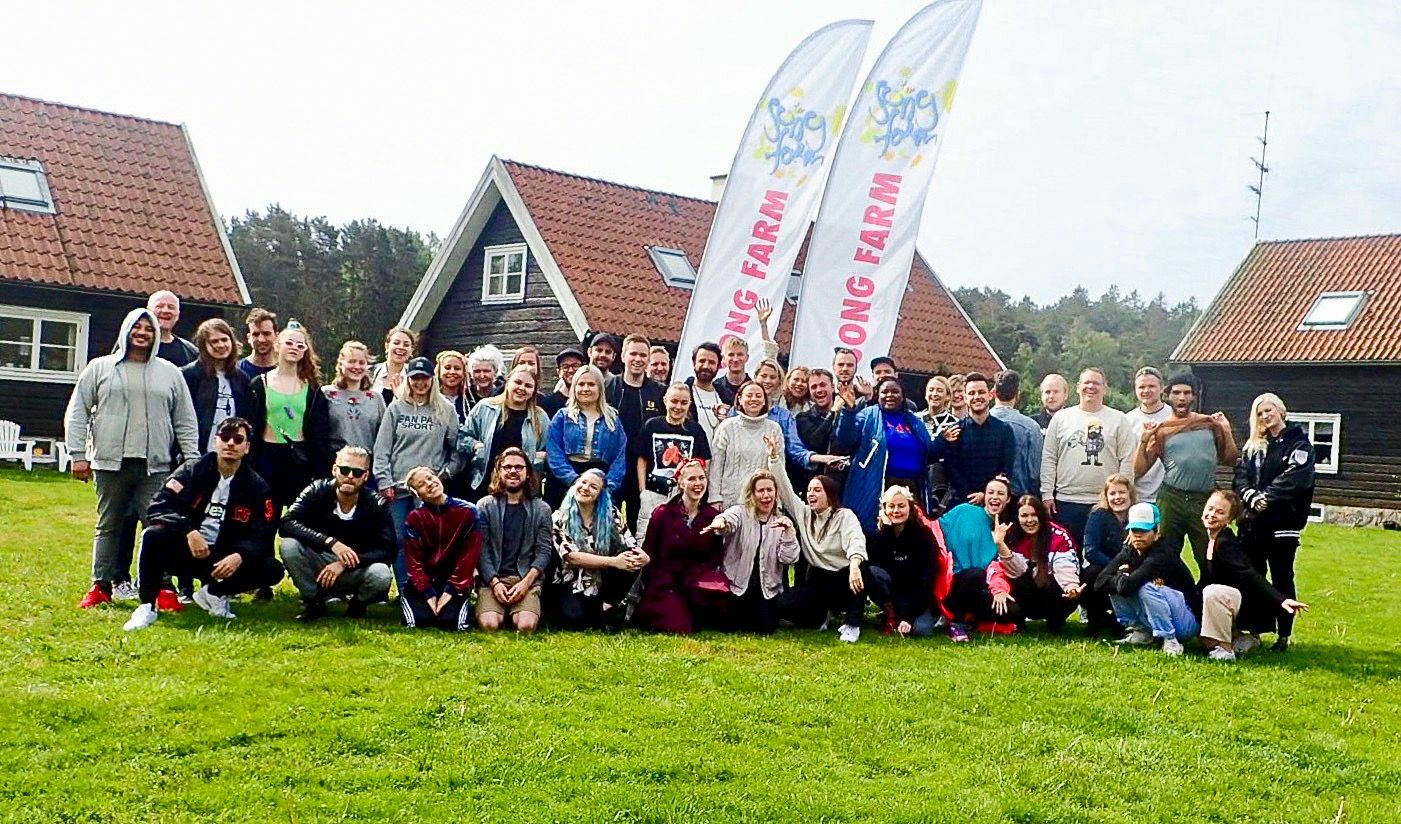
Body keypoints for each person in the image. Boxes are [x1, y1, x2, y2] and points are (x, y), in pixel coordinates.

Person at [67, 308, 199, 609]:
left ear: (155, 335)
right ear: (126, 330)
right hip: (109, 463)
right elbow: (78, 411)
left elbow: (185, 420)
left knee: (158, 526)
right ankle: (101, 585)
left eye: (148, 329)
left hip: (155, 465)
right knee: (109, 524)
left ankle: (162, 587)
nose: (142, 333)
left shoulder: (169, 372)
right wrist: (78, 455)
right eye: (136, 328)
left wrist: (191, 460)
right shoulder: (100, 367)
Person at [122, 417, 283, 630]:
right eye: (225, 437)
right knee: (153, 536)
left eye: (238, 439)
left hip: (223, 558)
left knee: (272, 569)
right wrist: (189, 531)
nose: (231, 443)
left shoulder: (257, 486)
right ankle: (147, 607)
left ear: (247, 447)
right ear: (216, 441)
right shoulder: (191, 470)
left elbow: (262, 532)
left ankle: (214, 593)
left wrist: (239, 555)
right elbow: (159, 506)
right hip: (187, 548)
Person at [1232, 392, 1315, 652]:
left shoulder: (1298, 443)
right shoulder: (1254, 445)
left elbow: (1295, 478)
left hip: (1282, 524)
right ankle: (1255, 630)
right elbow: (1240, 476)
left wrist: (1266, 498)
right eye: (1260, 413)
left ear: (1281, 411)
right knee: (1253, 577)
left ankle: (1284, 635)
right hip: (1252, 524)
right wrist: (1250, 496)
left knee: (1282, 578)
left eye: (1269, 410)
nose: (1265, 416)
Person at [1135, 373, 1239, 574]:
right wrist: (1143, 440)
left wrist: (1226, 431)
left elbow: (1231, 459)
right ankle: (1170, 598)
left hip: (1204, 500)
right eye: (1176, 393)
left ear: (1193, 397)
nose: (1181, 398)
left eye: (1186, 393)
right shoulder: (1162, 430)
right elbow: (1139, 470)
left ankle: (1209, 595)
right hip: (1171, 498)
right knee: (1164, 555)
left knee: (1209, 554)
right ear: (1168, 396)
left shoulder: (1209, 424)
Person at [374, 355, 462, 590]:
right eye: (415, 378)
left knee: (429, 541)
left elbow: (457, 448)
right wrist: (384, 481)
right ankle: (405, 589)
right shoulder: (396, 407)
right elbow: (382, 448)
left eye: (424, 378)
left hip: (428, 489)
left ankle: (428, 587)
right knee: (401, 539)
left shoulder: (445, 409)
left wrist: (446, 473)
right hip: (398, 488)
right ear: (408, 380)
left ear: (432, 379)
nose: (420, 383)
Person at [279, 446, 395, 620]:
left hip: (356, 567)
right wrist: (331, 543)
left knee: (381, 573)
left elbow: (389, 550)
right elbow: (287, 524)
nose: (349, 476)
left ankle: (358, 605)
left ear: (365, 476)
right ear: (334, 469)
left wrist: (345, 563)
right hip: (320, 563)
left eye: (356, 472)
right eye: (344, 470)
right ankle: (313, 601)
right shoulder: (316, 490)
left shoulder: (376, 503)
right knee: (289, 546)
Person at [1199, 490, 1310, 661]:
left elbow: (1249, 573)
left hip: (1240, 602)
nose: (1212, 515)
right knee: (1202, 640)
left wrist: (1281, 599)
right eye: (1210, 509)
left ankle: (1225, 649)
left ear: (1229, 519)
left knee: (1212, 592)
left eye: (1220, 512)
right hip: (1223, 601)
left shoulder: (1226, 544)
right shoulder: (1210, 539)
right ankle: (1238, 637)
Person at [771, 466, 873, 642]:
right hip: (819, 579)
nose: (811, 494)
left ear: (830, 495)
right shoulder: (804, 514)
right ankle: (822, 616)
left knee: (861, 570)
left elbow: (855, 540)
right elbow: (786, 490)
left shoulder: (845, 516)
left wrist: (855, 565)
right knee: (784, 605)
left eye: (817, 490)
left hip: (846, 578)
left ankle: (852, 624)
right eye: (809, 490)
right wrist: (774, 459)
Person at [1040, 367, 1136, 546]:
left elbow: (1127, 460)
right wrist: (1046, 493)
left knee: (1105, 555)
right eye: (1086, 383)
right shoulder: (1061, 418)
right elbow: (1049, 458)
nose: (1091, 387)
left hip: (1105, 502)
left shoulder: (1118, 419)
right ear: (1077, 387)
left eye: (1096, 383)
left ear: (1105, 388)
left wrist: (1122, 495)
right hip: (1067, 501)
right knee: (1067, 556)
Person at [701, 469, 800, 634]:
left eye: (770, 490)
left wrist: (789, 533)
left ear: (776, 494)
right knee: (729, 625)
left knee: (764, 628)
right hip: (736, 585)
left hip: (766, 589)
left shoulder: (782, 521)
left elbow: (789, 558)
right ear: (752, 494)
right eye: (760, 491)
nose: (766, 495)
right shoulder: (740, 512)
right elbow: (728, 519)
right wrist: (720, 522)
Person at [1094, 502, 1200, 656]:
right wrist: (1121, 577)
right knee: (1116, 586)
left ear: (1156, 533)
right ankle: (1141, 633)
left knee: (1144, 587)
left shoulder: (1162, 554)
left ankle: (1170, 639)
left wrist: (1121, 575)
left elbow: (1126, 587)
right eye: (1134, 530)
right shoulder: (1129, 550)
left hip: (1186, 621)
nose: (1138, 535)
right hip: (1157, 614)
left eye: (1144, 531)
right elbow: (1099, 583)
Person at [634, 458, 726, 634]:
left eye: (701, 478)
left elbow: (716, 555)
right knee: (679, 626)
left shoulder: (712, 516)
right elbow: (649, 554)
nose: (698, 483)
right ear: (680, 482)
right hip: (666, 583)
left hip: (697, 583)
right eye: (692, 479)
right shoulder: (662, 514)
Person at [247, 322, 332, 511]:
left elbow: (320, 435)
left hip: (298, 461)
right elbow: (249, 426)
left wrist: (320, 471)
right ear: (277, 345)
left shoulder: (313, 390)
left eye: (300, 345)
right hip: (266, 459)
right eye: (290, 343)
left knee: (300, 518)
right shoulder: (259, 384)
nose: (294, 348)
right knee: (264, 517)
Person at [549, 468, 648, 630]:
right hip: (574, 580)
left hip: (604, 579)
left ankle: (609, 604)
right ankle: (604, 613)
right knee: (573, 620)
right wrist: (613, 561)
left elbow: (630, 544)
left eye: (593, 487)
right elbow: (571, 557)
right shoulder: (559, 518)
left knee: (631, 560)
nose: (585, 488)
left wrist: (643, 557)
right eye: (583, 482)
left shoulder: (612, 514)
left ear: (600, 495)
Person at [832, 377, 933, 533]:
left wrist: (943, 441)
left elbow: (929, 450)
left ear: (903, 396)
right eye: (885, 392)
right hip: (878, 482)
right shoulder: (867, 415)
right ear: (877, 395)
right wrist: (850, 410)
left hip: (911, 486)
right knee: (878, 531)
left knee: (910, 532)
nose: (889, 395)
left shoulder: (913, 421)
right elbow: (846, 439)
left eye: (895, 391)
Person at [475, 448, 553, 634]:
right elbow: (481, 550)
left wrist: (526, 583)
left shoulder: (542, 509)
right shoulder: (484, 506)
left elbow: (544, 551)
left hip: (525, 578)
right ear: (499, 472)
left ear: (527, 473)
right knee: (490, 625)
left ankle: (520, 609)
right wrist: (494, 583)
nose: (513, 471)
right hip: (493, 578)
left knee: (526, 626)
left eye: (519, 467)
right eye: (507, 467)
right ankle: (494, 608)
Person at [399, 466, 482, 631]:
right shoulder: (414, 518)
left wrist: (449, 592)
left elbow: (469, 557)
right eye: (421, 484)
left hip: (454, 579)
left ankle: (459, 604)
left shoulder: (468, 511)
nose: (429, 484)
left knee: (451, 623)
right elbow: (413, 562)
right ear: (417, 494)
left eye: (430, 478)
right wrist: (429, 595)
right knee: (417, 622)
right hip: (424, 580)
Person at [987, 496, 1081, 634]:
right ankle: (1018, 623)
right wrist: (1000, 545)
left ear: (1041, 516)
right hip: (1026, 593)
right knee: (1007, 593)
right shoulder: (1010, 535)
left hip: (1052, 593)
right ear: (1017, 517)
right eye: (1024, 515)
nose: (1029, 520)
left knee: (1065, 591)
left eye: (1034, 515)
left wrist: (1071, 587)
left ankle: (1055, 622)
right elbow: (1013, 572)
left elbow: (1065, 567)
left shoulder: (1059, 535)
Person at [633, 383, 711, 541]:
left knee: (678, 538)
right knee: (647, 536)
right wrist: (643, 490)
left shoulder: (695, 430)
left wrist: (696, 490)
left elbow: (705, 462)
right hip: (654, 491)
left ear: (690, 404)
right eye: (674, 401)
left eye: (683, 403)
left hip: (682, 494)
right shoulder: (652, 425)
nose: (678, 406)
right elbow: (642, 458)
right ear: (665, 400)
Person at [458, 364, 550, 499]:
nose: (522, 388)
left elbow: (551, 449)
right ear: (508, 382)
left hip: (522, 492)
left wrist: (541, 457)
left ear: (534, 390)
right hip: (483, 487)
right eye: (517, 382)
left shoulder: (540, 417)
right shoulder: (485, 408)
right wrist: (475, 446)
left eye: (528, 386)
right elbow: (462, 437)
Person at [939, 475, 1014, 640]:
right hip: (954, 582)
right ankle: (957, 623)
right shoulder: (964, 511)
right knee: (975, 574)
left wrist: (999, 590)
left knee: (1013, 610)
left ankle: (975, 621)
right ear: (984, 495)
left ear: (1008, 499)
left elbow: (999, 569)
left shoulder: (1006, 529)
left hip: (983, 587)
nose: (995, 497)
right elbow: (935, 529)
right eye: (991, 492)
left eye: (1000, 494)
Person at [544, 364, 628, 509]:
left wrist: (608, 485)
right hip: (564, 480)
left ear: (600, 388)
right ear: (574, 387)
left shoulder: (612, 419)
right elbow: (554, 451)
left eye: (591, 384)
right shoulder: (563, 417)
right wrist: (573, 479)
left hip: (599, 480)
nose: (586, 389)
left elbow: (619, 456)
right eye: (581, 384)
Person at [606, 334, 667, 529]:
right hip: (612, 467)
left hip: (644, 470)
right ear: (622, 356)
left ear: (648, 359)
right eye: (633, 354)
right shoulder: (607, 388)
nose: (638, 359)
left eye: (643, 355)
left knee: (640, 524)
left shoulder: (660, 392)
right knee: (608, 522)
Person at [865, 485, 941, 638]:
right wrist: (886, 530)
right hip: (892, 595)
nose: (896, 511)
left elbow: (927, 579)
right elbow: (873, 566)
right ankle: (890, 615)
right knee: (872, 572)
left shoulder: (924, 535)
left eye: (901, 506)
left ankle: (902, 618)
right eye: (891, 506)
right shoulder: (879, 536)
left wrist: (909, 617)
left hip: (916, 596)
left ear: (910, 507)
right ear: (884, 509)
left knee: (922, 630)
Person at [934, 372, 1017, 505]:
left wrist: (986, 495)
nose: (977, 397)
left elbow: (1006, 469)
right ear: (965, 398)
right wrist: (971, 496)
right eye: (972, 393)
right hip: (962, 503)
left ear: (990, 395)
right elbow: (952, 470)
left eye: (981, 392)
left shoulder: (1005, 430)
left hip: (994, 504)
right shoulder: (954, 431)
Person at [708, 381, 785, 510]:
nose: (754, 399)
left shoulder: (774, 429)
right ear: (740, 399)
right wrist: (715, 498)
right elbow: (716, 465)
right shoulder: (727, 427)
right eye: (749, 395)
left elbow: (779, 468)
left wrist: (779, 501)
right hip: (730, 501)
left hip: (762, 501)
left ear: (765, 401)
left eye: (758, 396)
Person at [181, 318, 253, 455]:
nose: (220, 345)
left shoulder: (242, 379)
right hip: (198, 452)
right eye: (214, 341)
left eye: (224, 340)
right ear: (204, 346)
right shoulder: (190, 375)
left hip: (231, 451)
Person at [1080, 474, 1136, 635]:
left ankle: (1130, 622)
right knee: (1091, 574)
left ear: (1130, 494)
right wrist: (1116, 567)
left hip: (1133, 568)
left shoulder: (1138, 514)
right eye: (1112, 493)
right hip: (1104, 567)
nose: (1117, 497)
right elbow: (1091, 551)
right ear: (1106, 496)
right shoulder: (1098, 515)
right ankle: (1096, 618)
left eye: (1122, 492)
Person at [322, 341, 386, 456]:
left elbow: (384, 437)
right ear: (341, 364)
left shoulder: (376, 399)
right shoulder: (326, 394)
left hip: (366, 465)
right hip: (335, 463)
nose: (357, 366)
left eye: (362, 363)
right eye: (352, 361)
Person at [989, 370, 1043, 499]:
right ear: (1017, 395)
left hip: (985, 496)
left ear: (993, 393)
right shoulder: (1031, 427)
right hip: (1019, 496)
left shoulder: (979, 422)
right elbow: (1035, 471)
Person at [1123, 367, 1172, 502]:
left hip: (1167, 496)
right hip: (1136, 496)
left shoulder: (1174, 417)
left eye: (1151, 386)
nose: (1146, 391)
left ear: (1162, 388)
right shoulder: (1126, 420)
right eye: (1141, 387)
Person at [792, 368, 842, 492]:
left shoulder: (846, 416)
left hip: (842, 484)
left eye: (823, 385)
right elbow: (814, 443)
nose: (819, 390)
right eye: (814, 387)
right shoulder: (802, 418)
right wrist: (832, 413)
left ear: (832, 387)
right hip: (813, 487)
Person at [918, 375, 959, 515]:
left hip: (942, 484)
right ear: (925, 394)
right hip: (914, 478)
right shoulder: (914, 419)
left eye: (939, 391)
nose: (934, 394)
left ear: (948, 397)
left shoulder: (955, 424)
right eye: (931, 390)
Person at [685, 341, 728, 441]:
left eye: (712, 362)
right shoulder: (683, 395)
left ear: (718, 366)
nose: (706, 366)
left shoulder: (727, 397)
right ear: (693, 363)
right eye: (702, 361)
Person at [147, 290, 199, 367]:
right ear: (148, 312)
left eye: (171, 307)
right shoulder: (135, 346)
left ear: (178, 315)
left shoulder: (190, 351)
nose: (165, 310)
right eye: (159, 306)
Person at [370, 326, 416, 403]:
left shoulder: (414, 377)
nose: (401, 347)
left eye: (406, 345)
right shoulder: (370, 372)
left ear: (411, 350)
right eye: (396, 343)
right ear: (387, 346)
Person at [540, 347, 585, 418]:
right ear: (559, 372)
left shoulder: (589, 399)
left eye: (575, 366)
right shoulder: (548, 403)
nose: (570, 370)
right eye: (565, 367)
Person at [237, 307, 278, 380]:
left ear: (276, 336)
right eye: (255, 334)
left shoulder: (285, 371)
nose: (261, 340)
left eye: (266, 334)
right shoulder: (237, 371)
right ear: (248, 337)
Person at [435, 350, 470, 427]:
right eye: (447, 368)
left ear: (464, 373)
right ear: (439, 371)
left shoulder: (469, 403)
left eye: (457, 368)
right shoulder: (431, 400)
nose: (452, 372)